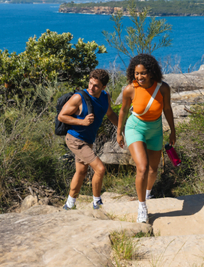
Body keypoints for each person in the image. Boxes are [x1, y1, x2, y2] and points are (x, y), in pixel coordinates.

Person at [116, 54, 176, 223]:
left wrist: (172, 131)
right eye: (136, 73)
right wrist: (119, 132)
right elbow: (123, 111)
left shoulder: (163, 88)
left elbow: (168, 109)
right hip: (135, 128)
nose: (139, 77)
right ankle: (142, 207)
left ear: (151, 72)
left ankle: (148, 193)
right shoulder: (130, 89)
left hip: (155, 130)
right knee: (142, 168)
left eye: (143, 73)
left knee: (153, 169)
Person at [58, 69, 119, 210]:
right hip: (75, 139)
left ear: (103, 87)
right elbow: (62, 116)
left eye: (96, 85)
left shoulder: (105, 97)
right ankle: (97, 202)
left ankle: (69, 204)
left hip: (88, 140)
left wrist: (123, 130)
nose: (91, 87)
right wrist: (82, 122)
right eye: (90, 83)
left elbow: (110, 114)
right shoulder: (79, 98)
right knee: (100, 168)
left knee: (81, 171)